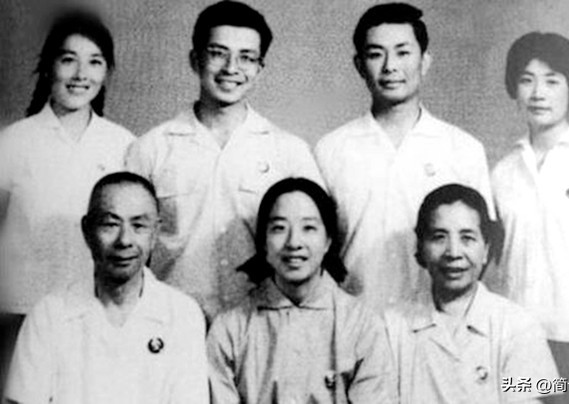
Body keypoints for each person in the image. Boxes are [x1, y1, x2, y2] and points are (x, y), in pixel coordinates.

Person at [125, 0, 322, 320]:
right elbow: (127, 245)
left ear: (260, 69)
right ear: (195, 60)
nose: (232, 68)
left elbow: (314, 247)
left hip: (262, 322)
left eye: (247, 57)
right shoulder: (150, 149)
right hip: (169, 322)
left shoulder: (289, 152)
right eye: (218, 53)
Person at [315, 2, 493, 311]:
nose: (390, 66)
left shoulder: (463, 149)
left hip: (437, 323)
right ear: (359, 65)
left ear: (424, 61)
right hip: (354, 318)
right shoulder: (331, 150)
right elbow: (316, 248)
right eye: (376, 54)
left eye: (402, 52)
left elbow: (482, 247)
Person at [0, 8, 134, 385]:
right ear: (48, 67)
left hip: (97, 312)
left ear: (106, 72)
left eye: (95, 62)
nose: (80, 74)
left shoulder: (123, 145)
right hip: (20, 310)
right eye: (68, 60)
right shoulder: (13, 142)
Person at [3, 172, 209, 404]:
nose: (124, 240)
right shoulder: (49, 315)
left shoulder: (182, 315)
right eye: (110, 224)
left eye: (139, 225)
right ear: (87, 231)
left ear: (155, 233)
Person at [492, 32, 569, 402]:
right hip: (519, 341)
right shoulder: (503, 173)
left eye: (552, 80)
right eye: (527, 80)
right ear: (514, 89)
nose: (538, 93)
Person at [207, 178, 397, 403]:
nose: (294, 242)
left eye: (308, 228)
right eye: (279, 228)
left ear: (328, 240)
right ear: (264, 242)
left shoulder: (362, 326)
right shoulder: (230, 329)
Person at [385, 184, 559, 403]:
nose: (453, 252)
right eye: (439, 237)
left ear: (486, 249)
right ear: (420, 248)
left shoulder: (520, 326)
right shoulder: (390, 326)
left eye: (467, 238)